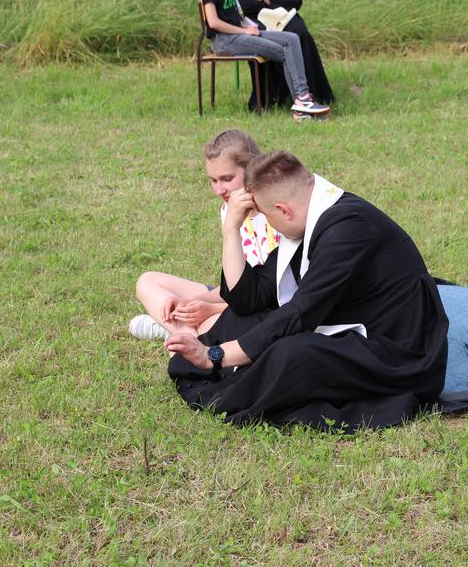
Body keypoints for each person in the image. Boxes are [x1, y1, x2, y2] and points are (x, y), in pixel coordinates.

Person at [166, 151, 449, 432]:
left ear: (284, 211)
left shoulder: (349, 228)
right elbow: (248, 299)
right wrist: (231, 230)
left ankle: (228, 374)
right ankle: (231, 369)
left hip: (394, 351)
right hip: (350, 323)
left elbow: (301, 313)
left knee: (289, 354)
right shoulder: (311, 218)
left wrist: (216, 355)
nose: (269, 224)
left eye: (267, 216)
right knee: (241, 320)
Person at [130, 130, 281, 341]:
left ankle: (181, 333)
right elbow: (233, 286)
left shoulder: (278, 213)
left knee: (213, 324)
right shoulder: (229, 210)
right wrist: (192, 304)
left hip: (265, 310)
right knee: (147, 282)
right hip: (235, 298)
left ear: (252, 169)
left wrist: (211, 309)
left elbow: (273, 298)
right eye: (213, 180)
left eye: (227, 179)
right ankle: (185, 332)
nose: (219, 190)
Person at [192, 0, 330, 121]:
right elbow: (214, 22)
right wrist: (244, 31)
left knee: (291, 39)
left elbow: (232, 14)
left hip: (238, 33)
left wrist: (247, 26)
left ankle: (302, 99)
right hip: (226, 40)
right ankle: (301, 104)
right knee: (283, 51)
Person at [228, 0, 334, 110]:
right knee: (265, 38)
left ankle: (311, 94)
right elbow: (247, 6)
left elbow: (296, 0)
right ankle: (271, 97)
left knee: (300, 32)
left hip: (286, 15)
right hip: (256, 19)